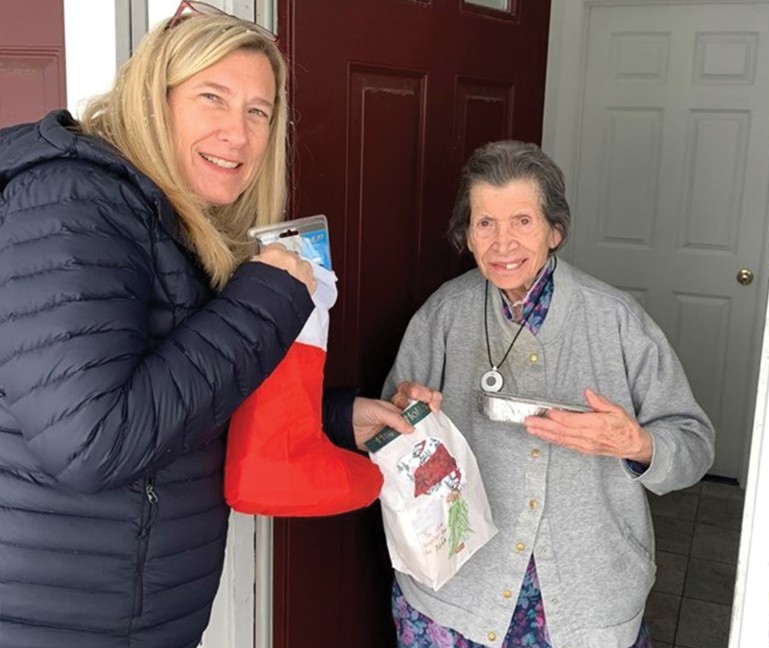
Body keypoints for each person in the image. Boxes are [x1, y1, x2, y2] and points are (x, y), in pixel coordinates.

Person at [0, 3, 432, 647]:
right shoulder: (74, 200)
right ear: (154, 97)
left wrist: (334, 418)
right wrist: (267, 297)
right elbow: (92, 443)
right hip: (57, 621)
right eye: (213, 97)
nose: (239, 133)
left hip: (125, 614)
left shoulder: (162, 211)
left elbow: (180, 401)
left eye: (258, 111)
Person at [384, 140, 715, 648]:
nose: (502, 244)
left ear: (554, 230)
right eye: (484, 223)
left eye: (522, 221)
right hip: (457, 594)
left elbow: (693, 445)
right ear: (465, 234)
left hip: (586, 601)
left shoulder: (615, 320)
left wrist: (636, 444)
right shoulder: (444, 315)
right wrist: (407, 409)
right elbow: (386, 433)